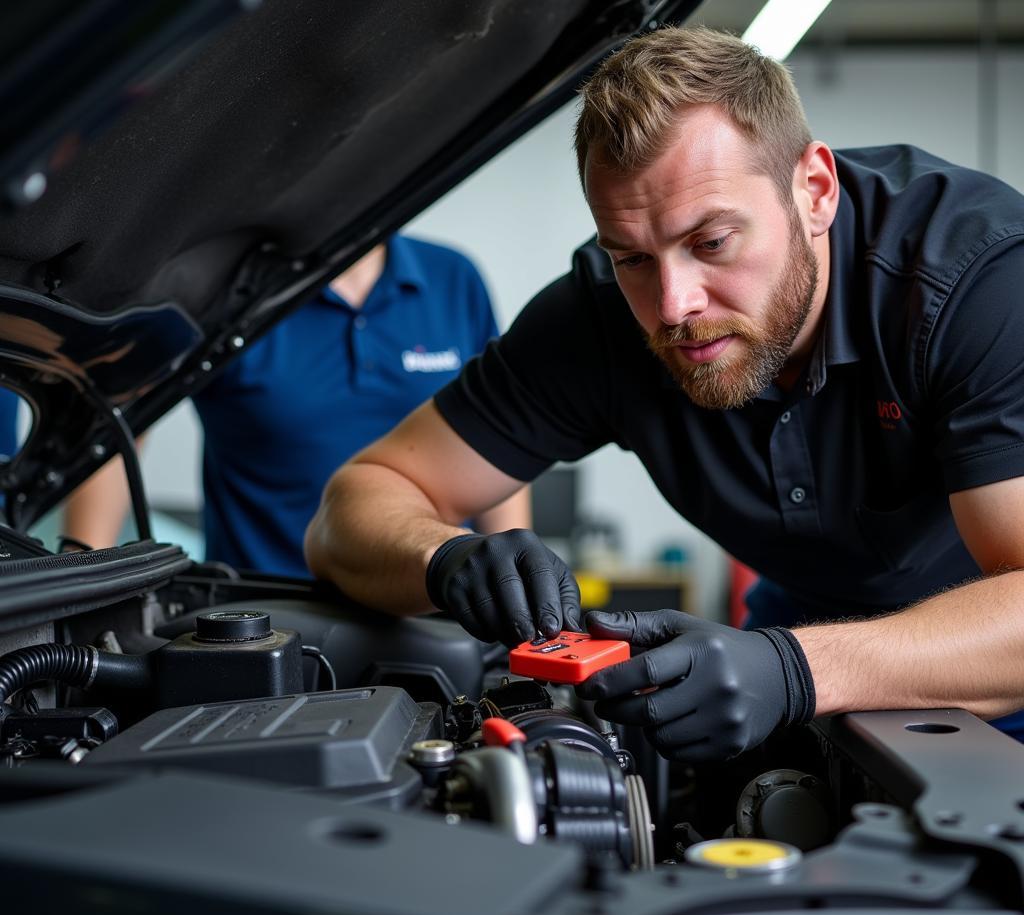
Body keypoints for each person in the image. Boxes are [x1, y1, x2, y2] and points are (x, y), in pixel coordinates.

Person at [304, 26, 1024, 762]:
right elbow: (352, 507)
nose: (674, 304)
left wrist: (795, 670)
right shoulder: (597, 320)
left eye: (711, 243)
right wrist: (446, 558)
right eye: (634, 258)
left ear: (814, 192)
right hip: (797, 626)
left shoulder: (978, 283)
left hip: (987, 656)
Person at [61, 235, 530, 569]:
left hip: (430, 605)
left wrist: (512, 582)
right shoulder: (227, 291)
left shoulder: (453, 278)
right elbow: (122, 421)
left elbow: (496, 432)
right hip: (265, 621)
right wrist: (78, 575)